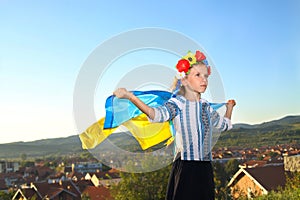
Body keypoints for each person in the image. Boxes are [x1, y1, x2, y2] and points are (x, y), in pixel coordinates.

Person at [113, 50, 236, 200]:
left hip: (205, 168)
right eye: (198, 75)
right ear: (185, 80)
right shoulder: (178, 104)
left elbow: (225, 125)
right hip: (185, 167)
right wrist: (130, 97)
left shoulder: (206, 106)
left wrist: (229, 109)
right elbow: (156, 114)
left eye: (205, 76)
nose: (203, 79)